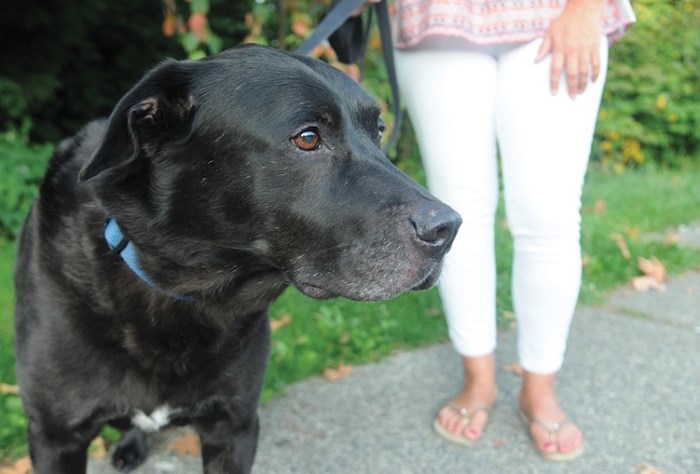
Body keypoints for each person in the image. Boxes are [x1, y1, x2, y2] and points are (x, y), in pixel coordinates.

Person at [391, 0, 635, 461]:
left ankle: (539, 388)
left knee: (550, 215)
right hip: (438, 16)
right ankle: (478, 381)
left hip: (555, 11)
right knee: (457, 213)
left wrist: (587, 9)